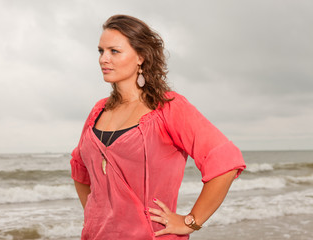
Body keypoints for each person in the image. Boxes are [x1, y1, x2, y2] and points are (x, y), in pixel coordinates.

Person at [70, 14, 246, 240]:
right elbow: (80, 169)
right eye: (100, 51)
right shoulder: (98, 111)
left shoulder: (168, 107)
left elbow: (226, 161)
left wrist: (190, 221)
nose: (104, 59)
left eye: (114, 51)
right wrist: (97, 216)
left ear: (141, 57)